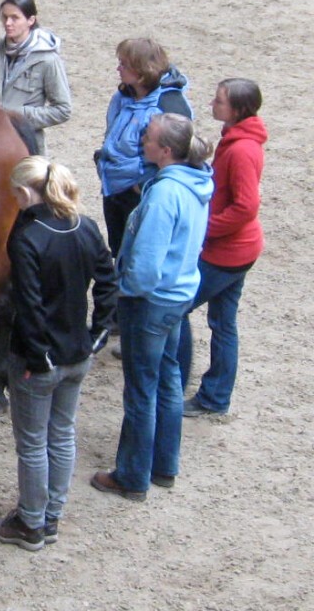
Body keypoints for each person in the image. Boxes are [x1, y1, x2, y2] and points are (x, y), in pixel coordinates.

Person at [0, 157, 116, 551]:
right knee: (62, 434)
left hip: (38, 360)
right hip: (77, 352)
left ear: (26, 194)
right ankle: (52, 514)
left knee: (32, 443)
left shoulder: (28, 238)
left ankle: (30, 521)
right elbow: (108, 283)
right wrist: (98, 333)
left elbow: (30, 304)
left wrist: (37, 354)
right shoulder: (86, 227)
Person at [92, 113, 213, 501]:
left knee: (142, 390)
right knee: (168, 379)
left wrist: (124, 291)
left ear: (164, 150)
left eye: (148, 138)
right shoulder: (195, 183)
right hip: (178, 295)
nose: (142, 141)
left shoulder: (163, 194)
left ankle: (131, 475)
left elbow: (145, 263)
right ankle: (164, 465)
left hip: (151, 301)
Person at [179, 79, 267, 417]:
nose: (213, 104)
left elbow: (246, 206)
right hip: (238, 250)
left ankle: (180, 380)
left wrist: (205, 230)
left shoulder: (242, 149)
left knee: (177, 308)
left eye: (219, 101)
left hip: (227, 253)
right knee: (224, 322)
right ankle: (215, 396)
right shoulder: (237, 140)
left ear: (238, 110)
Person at [95, 38, 192, 259]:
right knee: (119, 251)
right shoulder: (123, 96)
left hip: (138, 194)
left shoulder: (169, 107)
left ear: (141, 71)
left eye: (124, 64)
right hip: (114, 188)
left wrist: (141, 187)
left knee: (138, 254)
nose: (118, 69)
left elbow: (178, 157)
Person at [0, 0, 72, 156]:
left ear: (31, 20)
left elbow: (63, 109)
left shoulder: (48, 59)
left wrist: (18, 116)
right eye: (5, 17)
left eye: (15, 18)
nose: (8, 23)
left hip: (24, 147)